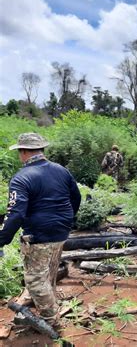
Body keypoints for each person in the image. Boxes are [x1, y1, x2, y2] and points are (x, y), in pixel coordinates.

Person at [0, 133, 81, 325]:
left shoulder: (21, 178)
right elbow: (76, 198)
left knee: (35, 281)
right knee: (48, 272)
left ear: (24, 152)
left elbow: (15, 213)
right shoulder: (61, 170)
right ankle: (48, 301)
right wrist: (66, 219)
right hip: (61, 232)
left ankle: (51, 321)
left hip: (39, 235)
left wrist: (2, 239)